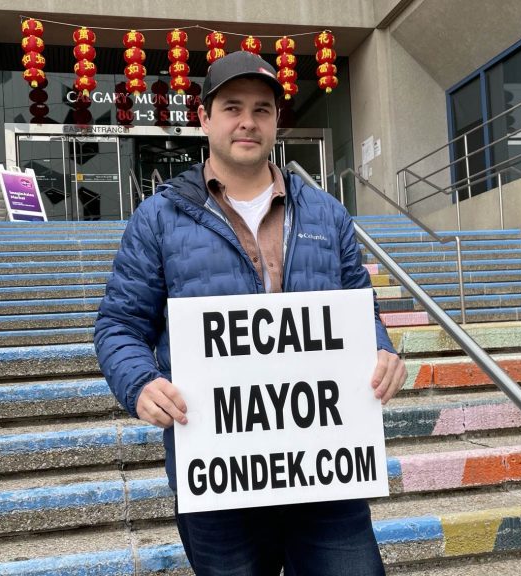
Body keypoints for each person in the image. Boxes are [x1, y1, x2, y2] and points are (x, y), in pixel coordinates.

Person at [94, 50, 406, 575]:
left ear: (276, 122)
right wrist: (141, 383)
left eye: (262, 109)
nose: (248, 121)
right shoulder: (159, 217)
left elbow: (359, 305)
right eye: (233, 107)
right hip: (218, 475)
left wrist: (382, 349)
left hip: (325, 468)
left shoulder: (326, 212)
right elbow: (118, 325)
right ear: (204, 118)